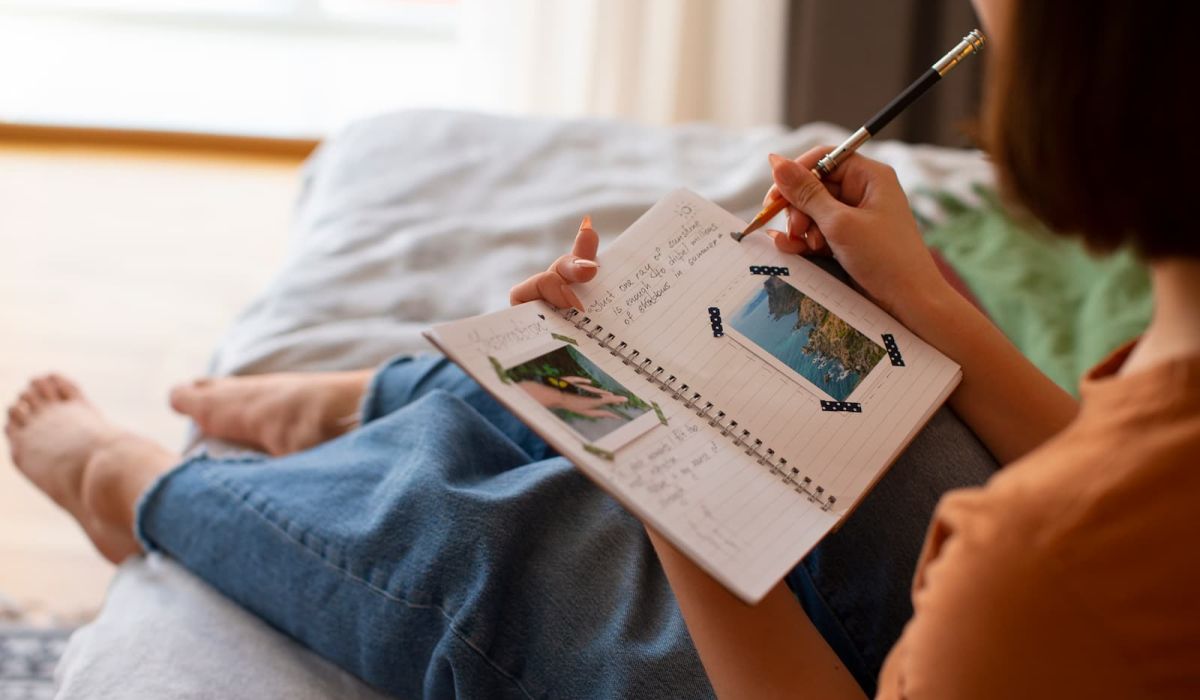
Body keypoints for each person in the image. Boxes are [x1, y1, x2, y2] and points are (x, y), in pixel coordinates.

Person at [6, 0, 1198, 696]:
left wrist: (661, 476)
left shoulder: (1035, 576)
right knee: (854, 387)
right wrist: (926, 306)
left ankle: (151, 492)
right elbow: (1100, 457)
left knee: (528, 556)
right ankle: (394, 397)